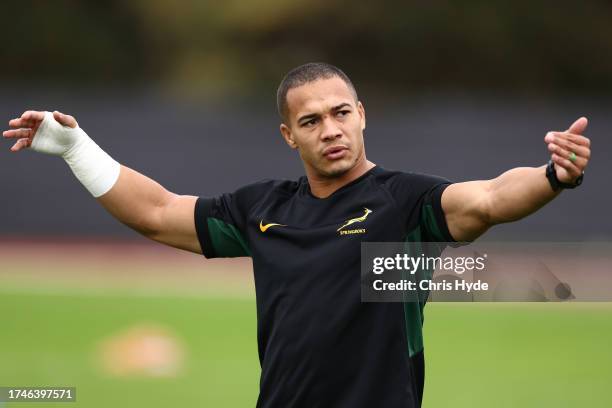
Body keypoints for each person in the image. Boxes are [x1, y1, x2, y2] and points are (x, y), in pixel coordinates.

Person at [2, 62, 591, 407]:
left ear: (362, 113)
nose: (329, 129)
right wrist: (77, 149)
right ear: (290, 136)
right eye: (311, 121)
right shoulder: (264, 208)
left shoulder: (404, 202)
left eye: (340, 113)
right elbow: (157, 212)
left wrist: (551, 176)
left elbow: (488, 197)